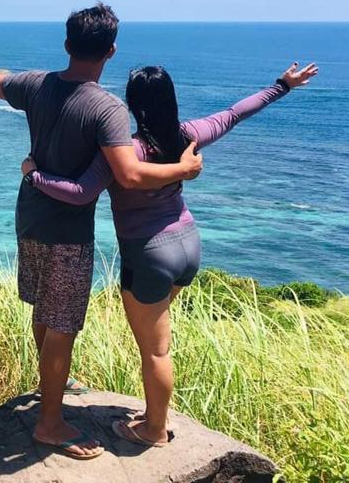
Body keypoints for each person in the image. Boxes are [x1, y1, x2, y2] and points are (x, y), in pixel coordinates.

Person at [0, 4, 203, 460]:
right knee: (63, 324)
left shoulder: (37, 84)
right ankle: (50, 424)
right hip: (68, 231)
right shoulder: (107, 109)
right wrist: (183, 170)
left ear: (67, 44)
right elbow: (130, 175)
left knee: (44, 308)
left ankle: (50, 386)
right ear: (111, 51)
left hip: (30, 213)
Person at [21, 62, 318, 448]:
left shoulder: (124, 153)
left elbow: (80, 193)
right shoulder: (189, 135)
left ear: (131, 104)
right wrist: (282, 86)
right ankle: (152, 418)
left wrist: (34, 174)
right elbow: (234, 114)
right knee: (157, 341)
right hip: (188, 246)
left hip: (149, 253)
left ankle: (154, 430)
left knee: (156, 350)